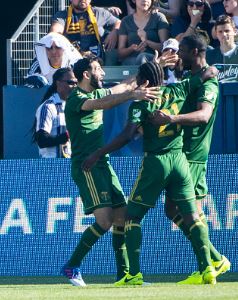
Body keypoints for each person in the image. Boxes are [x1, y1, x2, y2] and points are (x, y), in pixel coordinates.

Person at [81, 60, 219, 285]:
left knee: (131, 217)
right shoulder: (179, 88)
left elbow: (126, 136)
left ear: (143, 81)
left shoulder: (141, 103)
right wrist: (212, 70)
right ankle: (208, 270)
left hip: (156, 162)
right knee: (192, 215)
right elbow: (206, 74)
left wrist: (99, 152)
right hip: (180, 162)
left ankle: (133, 275)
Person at [61, 55, 159, 287]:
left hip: (101, 163)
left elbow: (122, 86)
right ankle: (71, 266)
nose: (103, 74)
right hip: (87, 165)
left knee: (122, 217)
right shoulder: (77, 98)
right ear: (86, 74)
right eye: (99, 69)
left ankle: (124, 275)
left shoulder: (94, 91)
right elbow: (104, 104)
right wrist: (131, 96)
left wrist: (155, 67)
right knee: (105, 221)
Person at [149, 34, 231, 284]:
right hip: (182, 152)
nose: (178, 55)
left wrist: (171, 120)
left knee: (191, 211)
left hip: (194, 155)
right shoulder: (193, 78)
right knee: (171, 209)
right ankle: (215, 258)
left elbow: (204, 115)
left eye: (182, 50)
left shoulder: (209, 83)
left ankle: (207, 265)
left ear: (195, 51)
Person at [50, 0, 121, 64]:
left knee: (112, 52)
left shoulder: (99, 12)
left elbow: (118, 22)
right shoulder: (62, 15)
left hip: (98, 60)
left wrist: (114, 31)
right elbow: (55, 33)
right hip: (72, 60)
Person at [32, 68, 77, 158]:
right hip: (52, 165)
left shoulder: (71, 105)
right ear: (58, 83)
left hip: (69, 164)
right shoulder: (48, 107)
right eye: (71, 82)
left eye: (77, 83)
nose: (75, 86)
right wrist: (67, 135)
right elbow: (42, 140)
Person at [117, 0, 169, 65]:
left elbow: (165, 47)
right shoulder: (126, 21)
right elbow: (120, 53)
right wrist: (131, 48)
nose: (145, 0)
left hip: (154, 61)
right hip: (131, 62)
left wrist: (147, 42)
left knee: (142, 57)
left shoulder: (159, 17)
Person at [207, 15, 238, 82]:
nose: (224, 34)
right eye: (220, 32)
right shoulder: (209, 55)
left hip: (236, 91)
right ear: (216, 34)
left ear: (235, 31)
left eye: (227, 31)